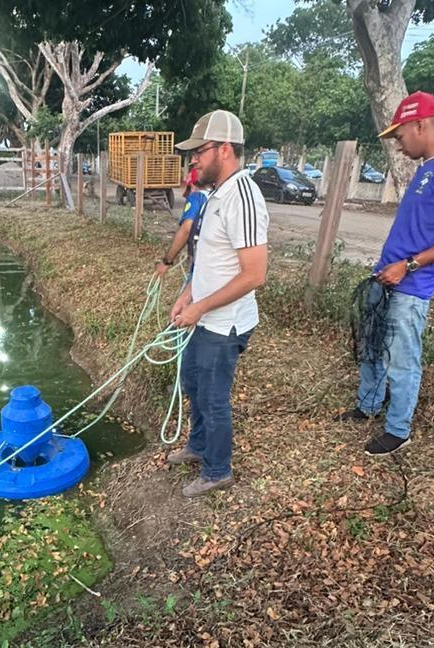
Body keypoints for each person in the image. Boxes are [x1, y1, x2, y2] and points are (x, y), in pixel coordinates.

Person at [337, 91, 434, 456]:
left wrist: (410, 265)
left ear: (420, 124)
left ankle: (398, 429)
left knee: (401, 358)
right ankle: (367, 405)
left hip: (410, 284)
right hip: (385, 276)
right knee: (371, 346)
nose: (399, 146)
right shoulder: (430, 165)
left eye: (400, 137)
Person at [164, 109, 269, 497]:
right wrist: (187, 295)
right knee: (192, 380)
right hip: (204, 316)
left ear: (225, 149)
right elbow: (208, 258)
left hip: (224, 324)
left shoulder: (243, 196)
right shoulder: (214, 196)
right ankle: (198, 445)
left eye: (199, 151)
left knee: (212, 395)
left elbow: (254, 274)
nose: (193, 159)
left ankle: (217, 469)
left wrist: (201, 306)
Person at [155, 187, 207, 278]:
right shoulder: (223, 194)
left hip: (202, 261)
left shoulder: (197, 198)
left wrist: (167, 261)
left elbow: (187, 228)